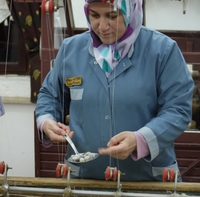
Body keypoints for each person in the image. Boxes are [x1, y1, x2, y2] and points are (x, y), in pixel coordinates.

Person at [36, 0, 194, 181]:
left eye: (112, 16)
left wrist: (140, 140)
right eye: (94, 15)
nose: (102, 26)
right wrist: (46, 121)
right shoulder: (71, 50)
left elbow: (178, 110)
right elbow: (50, 95)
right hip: (85, 181)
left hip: (148, 182)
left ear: (131, 12)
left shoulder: (163, 51)